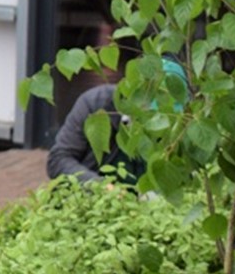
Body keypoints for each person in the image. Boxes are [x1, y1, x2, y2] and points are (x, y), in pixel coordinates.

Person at [46, 57, 188, 185]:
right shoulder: (94, 105)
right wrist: (98, 186)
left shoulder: (183, 124)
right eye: (152, 114)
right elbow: (58, 160)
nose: (160, 124)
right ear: (133, 96)